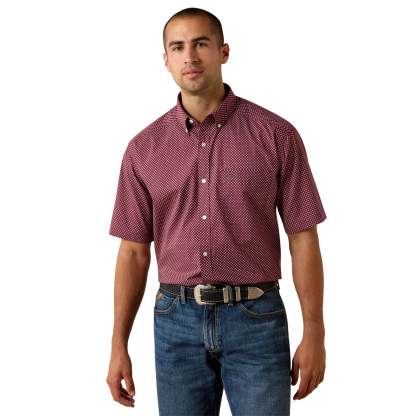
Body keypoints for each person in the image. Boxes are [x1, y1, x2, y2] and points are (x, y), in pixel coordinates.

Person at [106, 7, 327, 416]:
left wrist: (314, 330)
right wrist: (118, 343)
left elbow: (303, 237)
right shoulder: (142, 150)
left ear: (223, 52)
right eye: (178, 47)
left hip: (256, 318)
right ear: (166, 60)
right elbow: (133, 252)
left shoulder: (276, 135)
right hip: (175, 322)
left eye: (201, 44)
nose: (189, 56)